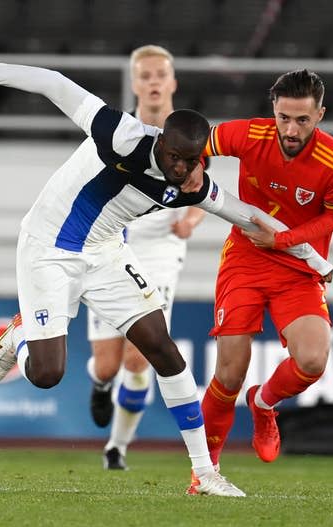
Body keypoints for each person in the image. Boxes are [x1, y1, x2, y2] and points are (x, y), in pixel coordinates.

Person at [0, 41, 332, 496]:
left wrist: (314, 258)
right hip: (48, 247)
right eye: (174, 157)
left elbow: (247, 214)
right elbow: (54, 84)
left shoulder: (191, 184)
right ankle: (21, 336)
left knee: (164, 351)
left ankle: (205, 472)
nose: (181, 169)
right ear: (161, 142)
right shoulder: (122, 135)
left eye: (191, 162)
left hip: (106, 253)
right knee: (48, 373)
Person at [191, 69, 333, 493]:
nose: (291, 128)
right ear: (274, 110)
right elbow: (200, 141)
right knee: (229, 371)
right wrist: (196, 167)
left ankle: (264, 404)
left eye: (302, 119)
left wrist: (281, 239)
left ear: (320, 114)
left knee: (314, 360)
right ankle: (204, 473)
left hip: (297, 266)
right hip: (245, 257)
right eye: (284, 117)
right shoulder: (250, 134)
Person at [85, 44, 206, 471]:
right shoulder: (121, 130)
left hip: (160, 250)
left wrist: (191, 219)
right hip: (112, 243)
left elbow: (202, 187)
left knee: (141, 357)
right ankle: (99, 385)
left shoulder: (189, 132)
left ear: (172, 82)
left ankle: (116, 447)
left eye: (161, 75)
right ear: (134, 83)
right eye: (145, 75)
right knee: (106, 365)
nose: (154, 82)